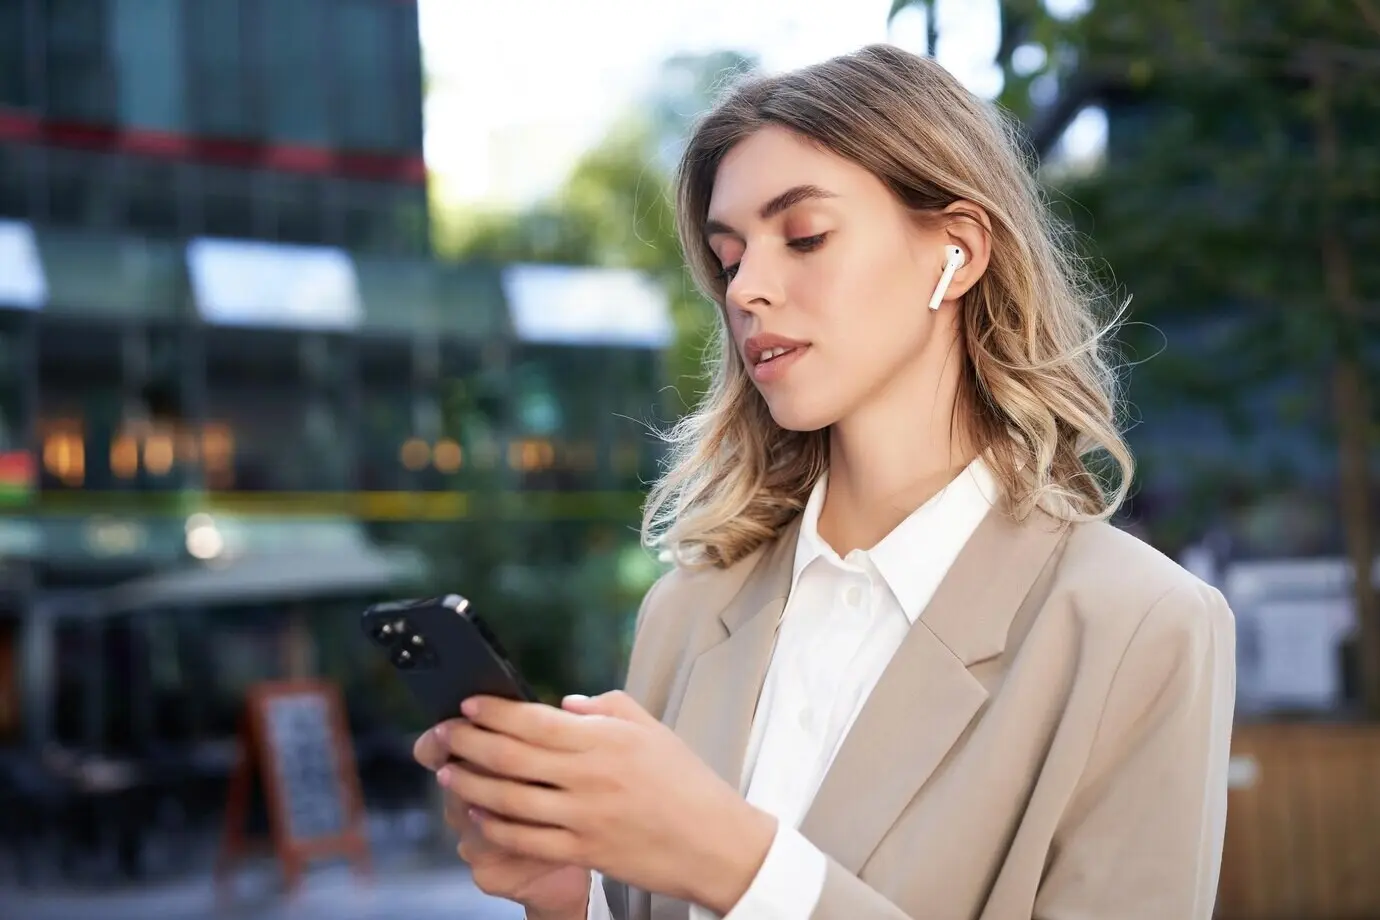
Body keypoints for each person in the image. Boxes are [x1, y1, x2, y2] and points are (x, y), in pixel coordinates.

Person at [413, 43, 1236, 920]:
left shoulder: (1139, 629)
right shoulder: (687, 613)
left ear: (956, 253)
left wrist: (737, 862)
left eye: (803, 236)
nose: (748, 290)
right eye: (729, 258)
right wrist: (567, 901)